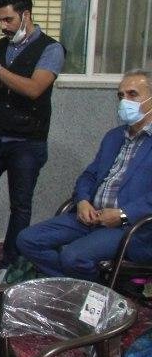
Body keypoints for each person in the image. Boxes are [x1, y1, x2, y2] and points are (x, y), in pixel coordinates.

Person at [0, 0, 65, 276]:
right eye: (0, 20)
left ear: (26, 15)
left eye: (8, 19)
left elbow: (34, 89)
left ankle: (9, 263)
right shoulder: (2, 45)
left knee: (20, 206)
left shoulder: (50, 49)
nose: (4, 26)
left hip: (27, 141)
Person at [16, 70, 152, 280]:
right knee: (27, 240)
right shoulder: (114, 137)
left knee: (73, 257)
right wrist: (82, 201)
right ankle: (89, 286)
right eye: (121, 95)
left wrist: (123, 214)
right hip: (91, 218)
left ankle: (87, 289)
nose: (125, 101)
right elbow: (88, 176)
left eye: (132, 94)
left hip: (133, 228)